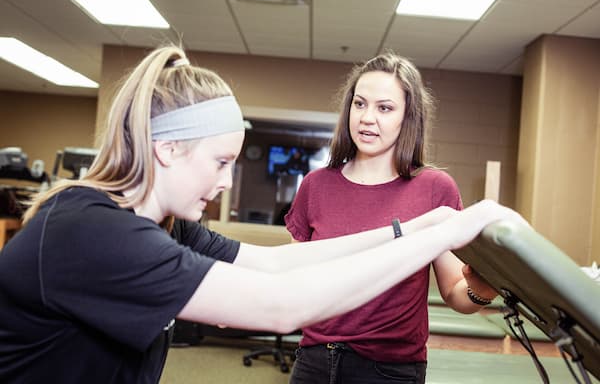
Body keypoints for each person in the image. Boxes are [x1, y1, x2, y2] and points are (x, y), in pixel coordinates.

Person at [0, 45, 527, 384]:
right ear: (167, 149)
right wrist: (443, 233)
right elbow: (281, 307)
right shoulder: (94, 231)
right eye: (222, 162)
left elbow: (276, 266)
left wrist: (418, 227)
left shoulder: (166, 225)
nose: (228, 182)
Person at [285, 52, 498, 383]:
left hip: (389, 370)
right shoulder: (316, 185)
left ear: (407, 117)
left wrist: (481, 289)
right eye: (360, 104)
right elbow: (292, 276)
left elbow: (455, 291)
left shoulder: (433, 188)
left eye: (384, 108)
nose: (367, 118)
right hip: (314, 360)